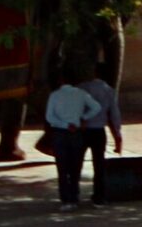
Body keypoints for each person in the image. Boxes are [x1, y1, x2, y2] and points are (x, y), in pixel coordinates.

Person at [43, 66, 100, 209]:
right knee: (75, 167)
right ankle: (74, 196)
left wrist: (64, 124)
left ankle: (66, 199)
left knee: (62, 168)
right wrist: (83, 119)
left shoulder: (55, 95)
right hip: (77, 132)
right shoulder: (81, 94)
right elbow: (96, 107)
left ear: (61, 80)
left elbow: (50, 117)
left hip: (60, 132)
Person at [80, 63, 125, 202]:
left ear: (94, 72)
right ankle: (99, 195)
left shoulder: (82, 88)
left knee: (77, 163)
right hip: (99, 131)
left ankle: (72, 195)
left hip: (82, 130)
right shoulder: (109, 91)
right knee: (99, 164)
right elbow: (113, 115)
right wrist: (117, 136)